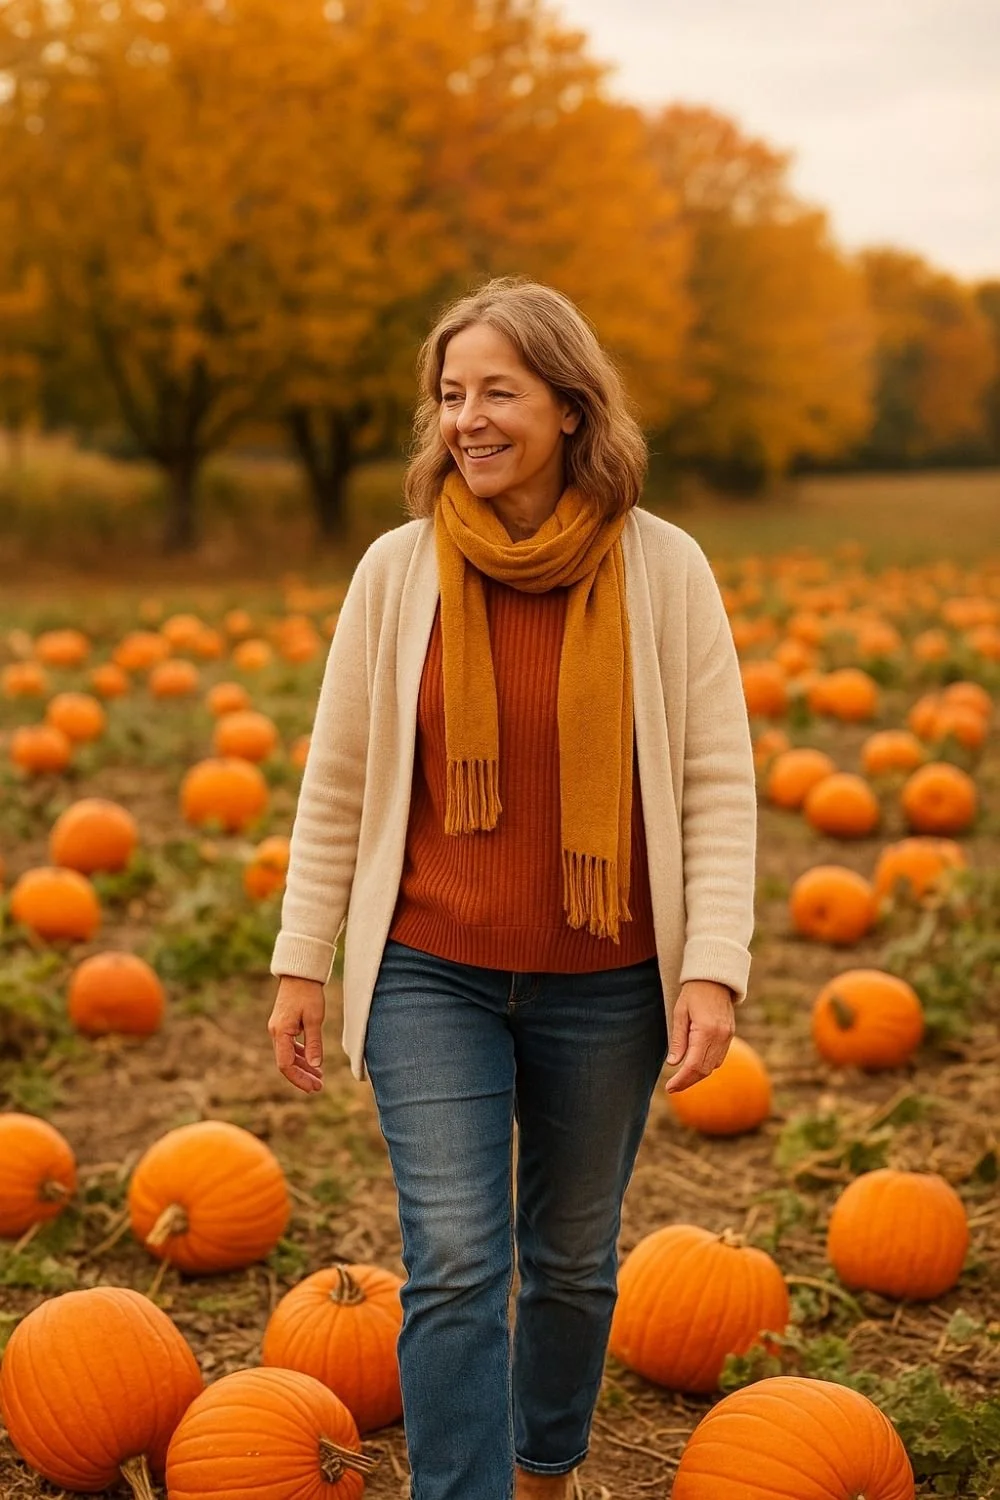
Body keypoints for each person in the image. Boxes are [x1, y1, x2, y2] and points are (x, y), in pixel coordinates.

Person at [267, 276, 756, 1500]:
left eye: (497, 392)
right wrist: (301, 959)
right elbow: (339, 780)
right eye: (450, 396)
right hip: (431, 971)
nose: (467, 420)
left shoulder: (663, 569)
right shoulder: (397, 573)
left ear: (570, 407)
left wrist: (712, 968)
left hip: (608, 980)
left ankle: (544, 1467)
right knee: (453, 1264)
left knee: (574, 1261)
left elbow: (715, 781)